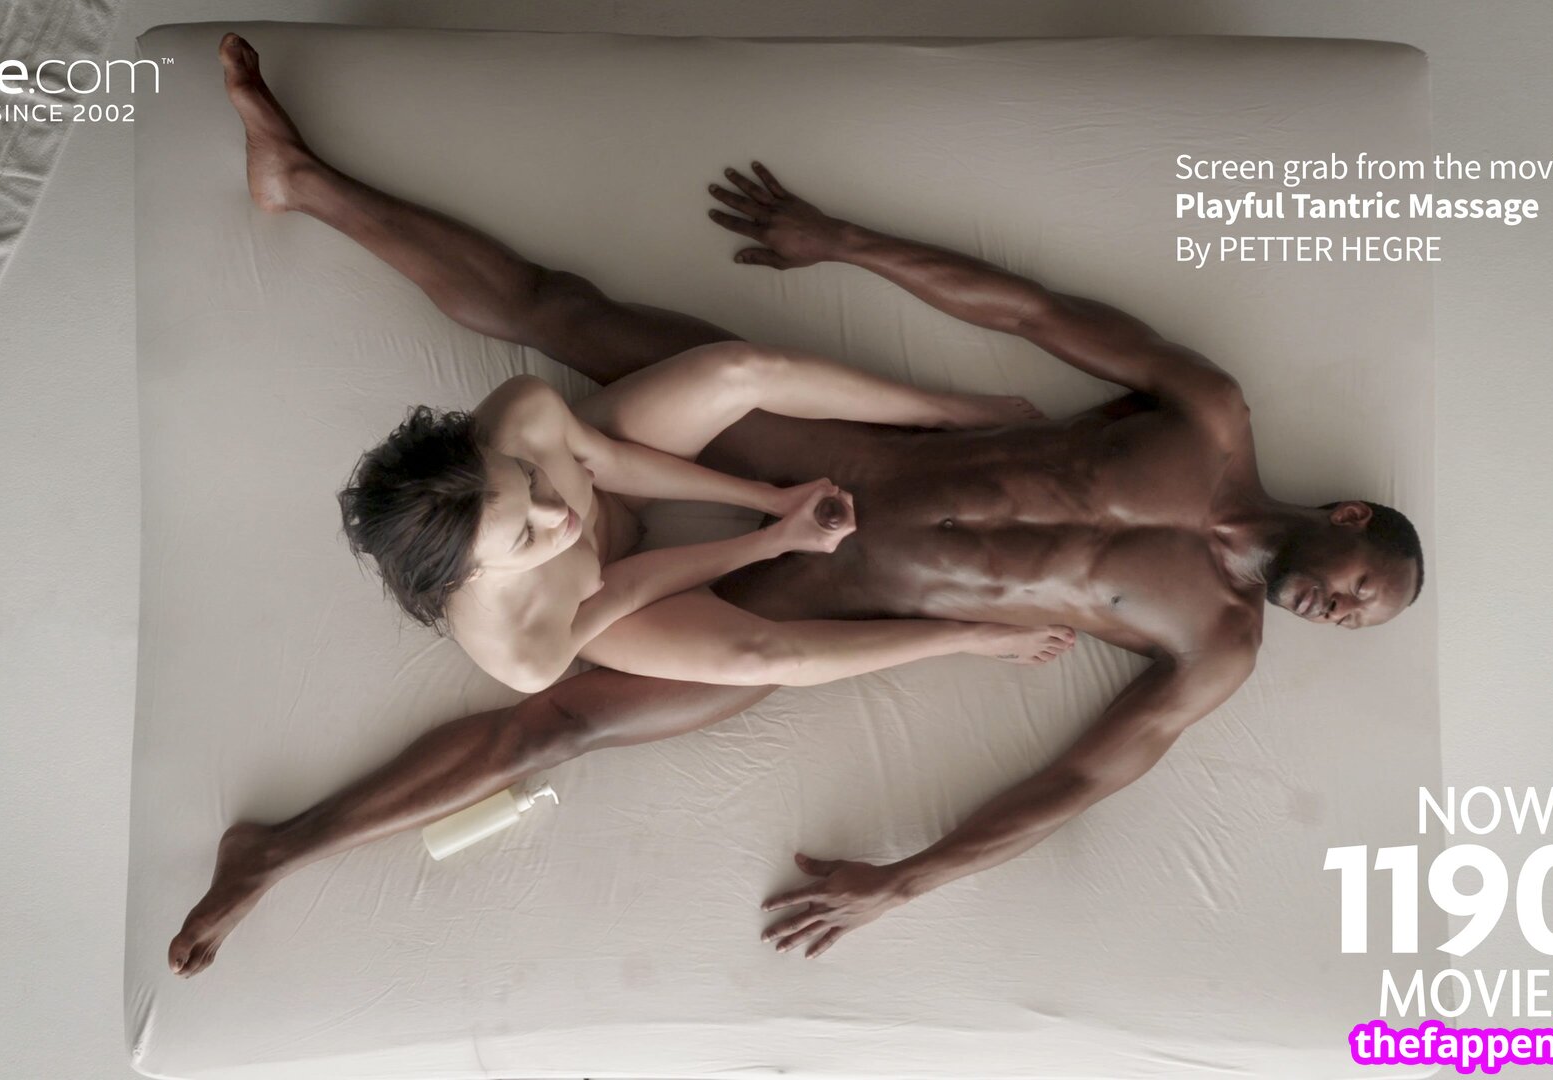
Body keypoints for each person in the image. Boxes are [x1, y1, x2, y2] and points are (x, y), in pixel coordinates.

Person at [170, 34, 1424, 976]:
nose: (1337, 611)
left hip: (820, 600)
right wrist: (842, 240)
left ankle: (276, 850)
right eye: (1361, 588)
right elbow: (1035, 313)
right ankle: (304, 182)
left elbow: (1083, 779)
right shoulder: (1210, 414)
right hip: (844, 456)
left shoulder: (1220, 646)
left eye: (1354, 624)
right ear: (1351, 517)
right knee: (566, 313)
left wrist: (904, 883)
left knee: (557, 732)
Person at [343, 348, 1074, 695]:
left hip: (622, 479)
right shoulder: (524, 652)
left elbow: (613, 464)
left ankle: (947, 409)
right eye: (528, 536)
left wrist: (766, 496)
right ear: (473, 575)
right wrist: (771, 541)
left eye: (529, 481)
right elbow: (625, 588)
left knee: (739, 371)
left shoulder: (522, 415)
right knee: (766, 662)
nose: (557, 513)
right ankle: (968, 637)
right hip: (612, 602)